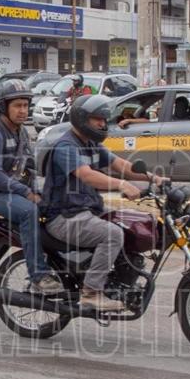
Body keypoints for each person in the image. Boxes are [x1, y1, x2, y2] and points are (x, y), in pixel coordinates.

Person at [43, 95, 166, 311]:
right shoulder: (66, 147)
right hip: (65, 217)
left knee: (127, 225)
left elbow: (121, 164)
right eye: (97, 119)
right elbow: (86, 175)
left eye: (103, 119)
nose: (102, 124)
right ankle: (91, 293)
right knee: (112, 234)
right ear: (82, 119)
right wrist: (121, 185)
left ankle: (116, 280)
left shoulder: (89, 144)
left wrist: (154, 178)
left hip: (86, 210)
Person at [0, 79, 62, 294]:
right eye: (17, 106)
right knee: (28, 211)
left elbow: (30, 167)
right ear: (4, 107)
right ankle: (38, 276)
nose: (23, 110)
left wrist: (45, 190)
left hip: (12, 190)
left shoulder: (21, 132)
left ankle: (61, 263)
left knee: (59, 203)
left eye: (25, 105)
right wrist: (26, 192)